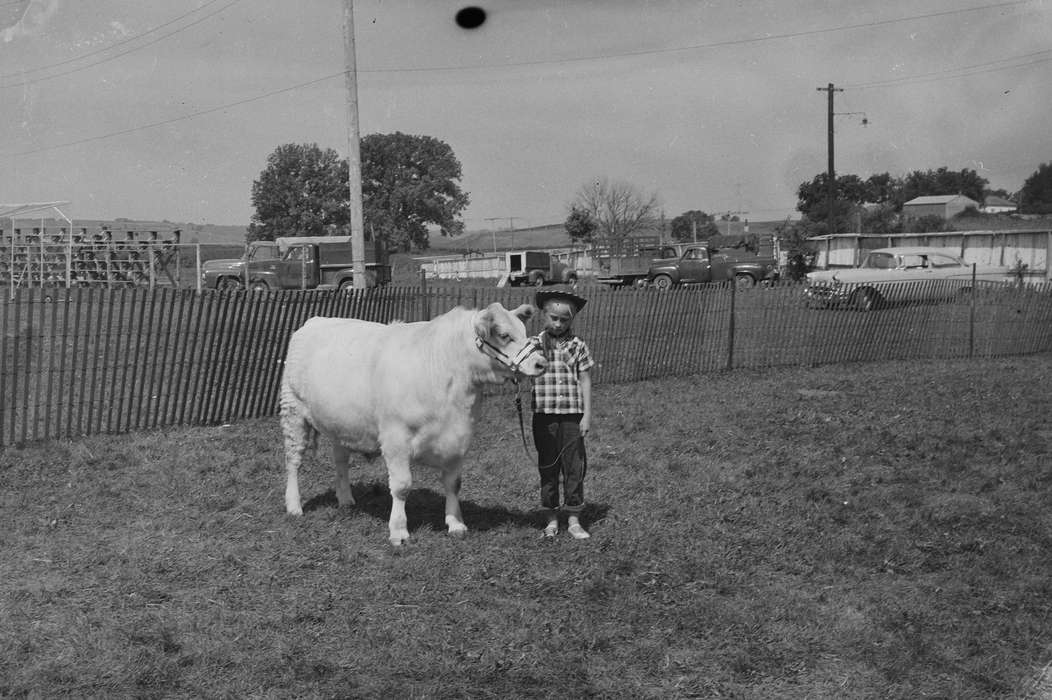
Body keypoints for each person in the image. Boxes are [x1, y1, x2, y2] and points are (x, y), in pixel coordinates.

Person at [529, 286, 595, 539]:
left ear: (571, 320)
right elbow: (520, 368)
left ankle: (575, 519)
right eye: (553, 318)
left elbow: (586, 380)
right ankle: (551, 518)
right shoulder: (534, 345)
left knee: (573, 467)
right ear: (543, 316)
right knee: (548, 467)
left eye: (564, 320)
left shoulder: (578, 346)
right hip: (543, 417)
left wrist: (587, 414)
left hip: (571, 416)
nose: (558, 324)